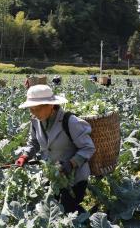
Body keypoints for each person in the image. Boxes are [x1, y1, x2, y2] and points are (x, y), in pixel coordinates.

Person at [13, 85, 96, 214]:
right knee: (52, 210)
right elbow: (34, 143)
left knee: (69, 211)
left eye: (37, 109)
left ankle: (90, 221)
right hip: (52, 175)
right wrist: (24, 156)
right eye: (31, 109)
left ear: (51, 105)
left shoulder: (70, 122)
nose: (33, 113)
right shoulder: (36, 122)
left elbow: (88, 148)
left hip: (73, 178)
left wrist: (71, 163)